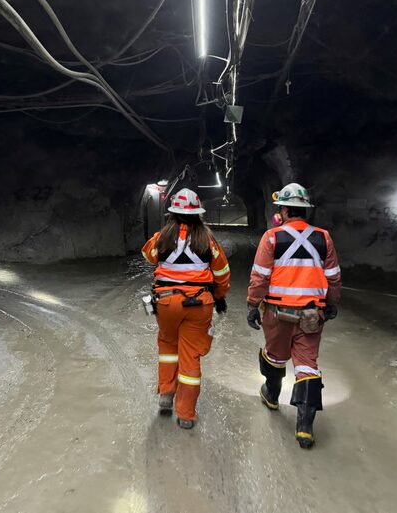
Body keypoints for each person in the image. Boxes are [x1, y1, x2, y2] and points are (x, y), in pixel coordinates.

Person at [246, 183, 341, 448]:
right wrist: (331, 302)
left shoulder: (272, 237)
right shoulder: (324, 238)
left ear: (285, 210)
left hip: (278, 313)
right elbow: (333, 276)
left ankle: (272, 395)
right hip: (312, 314)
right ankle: (304, 428)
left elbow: (260, 276)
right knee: (307, 364)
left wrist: (253, 304)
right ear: (306, 211)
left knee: (275, 356)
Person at [142, 188, 231, 429]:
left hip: (166, 302)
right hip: (199, 304)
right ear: (197, 214)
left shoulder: (162, 237)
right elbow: (222, 273)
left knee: (168, 346)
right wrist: (220, 296)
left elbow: (148, 255)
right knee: (190, 355)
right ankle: (186, 414)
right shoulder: (208, 241)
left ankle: (166, 396)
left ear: (172, 213)